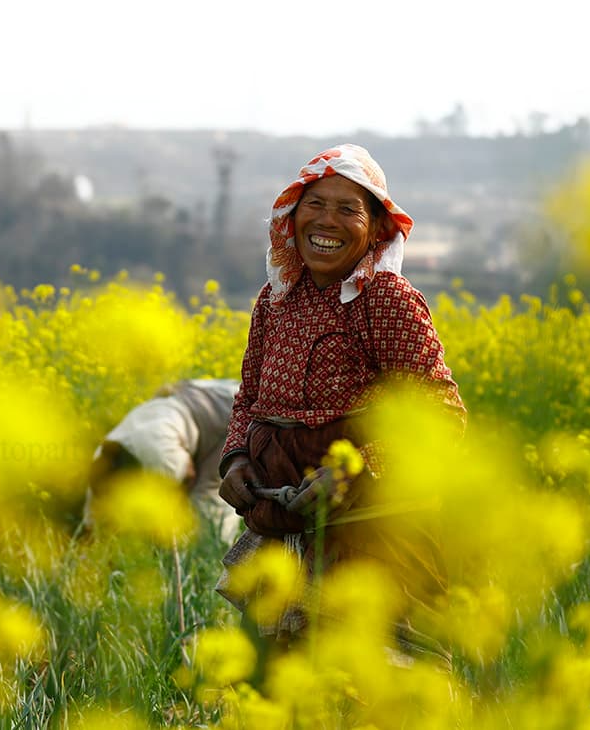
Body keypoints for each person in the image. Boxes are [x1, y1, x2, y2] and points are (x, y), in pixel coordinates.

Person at [216, 144, 466, 640]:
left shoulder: (386, 299)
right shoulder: (276, 298)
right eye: (315, 204)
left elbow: (441, 414)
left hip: (369, 532)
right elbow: (249, 399)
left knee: (365, 688)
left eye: (347, 209)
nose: (327, 221)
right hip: (281, 530)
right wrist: (236, 459)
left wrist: (356, 468)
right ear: (292, 216)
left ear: (375, 229)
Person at [90, 378, 242, 543]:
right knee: (205, 501)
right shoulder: (243, 406)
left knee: (105, 512)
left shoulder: (218, 387)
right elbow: (209, 492)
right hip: (163, 439)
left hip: (129, 430)